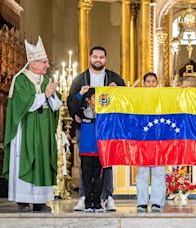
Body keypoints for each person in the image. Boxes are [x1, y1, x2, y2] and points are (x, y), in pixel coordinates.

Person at [2, 37, 62, 212]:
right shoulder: (20, 80)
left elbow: (57, 104)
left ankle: (40, 201)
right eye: (44, 62)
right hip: (26, 127)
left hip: (43, 128)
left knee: (43, 159)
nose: (47, 64)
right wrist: (45, 94)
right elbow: (22, 104)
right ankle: (23, 199)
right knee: (25, 159)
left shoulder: (45, 80)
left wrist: (51, 95)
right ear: (33, 63)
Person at [67, 46, 125, 212]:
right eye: (95, 57)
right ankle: (84, 197)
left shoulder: (113, 78)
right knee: (86, 166)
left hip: (107, 130)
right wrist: (75, 115)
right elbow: (71, 101)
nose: (98, 60)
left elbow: (126, 99)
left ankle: (108, 197)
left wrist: (118, 91)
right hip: (85, 129)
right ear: (90, 58)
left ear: (105, 59)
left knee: (106, 163)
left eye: (101, 57)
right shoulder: (80, 79)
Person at [135, 73, 166, 213]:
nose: (151, 84)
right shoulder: (138, 98)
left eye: (153, 81)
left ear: (157, 83)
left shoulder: (164, 99)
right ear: (144, 83)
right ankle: (141, 202)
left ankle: (157, 202)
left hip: (159, 140)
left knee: (159, 172)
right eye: (148, 81)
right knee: (142, 172)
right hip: (143, 140)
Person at [73, 88, 104, 212]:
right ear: (88, 100)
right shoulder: (81, 113)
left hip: (100, 151)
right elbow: (73, 104)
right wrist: (80, 94)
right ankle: (87, 203)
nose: (97, 100)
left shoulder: (104, 114)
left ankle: (97, 202)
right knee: (86, 178)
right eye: (94, 98)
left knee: (98, 178)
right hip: (86, 151)